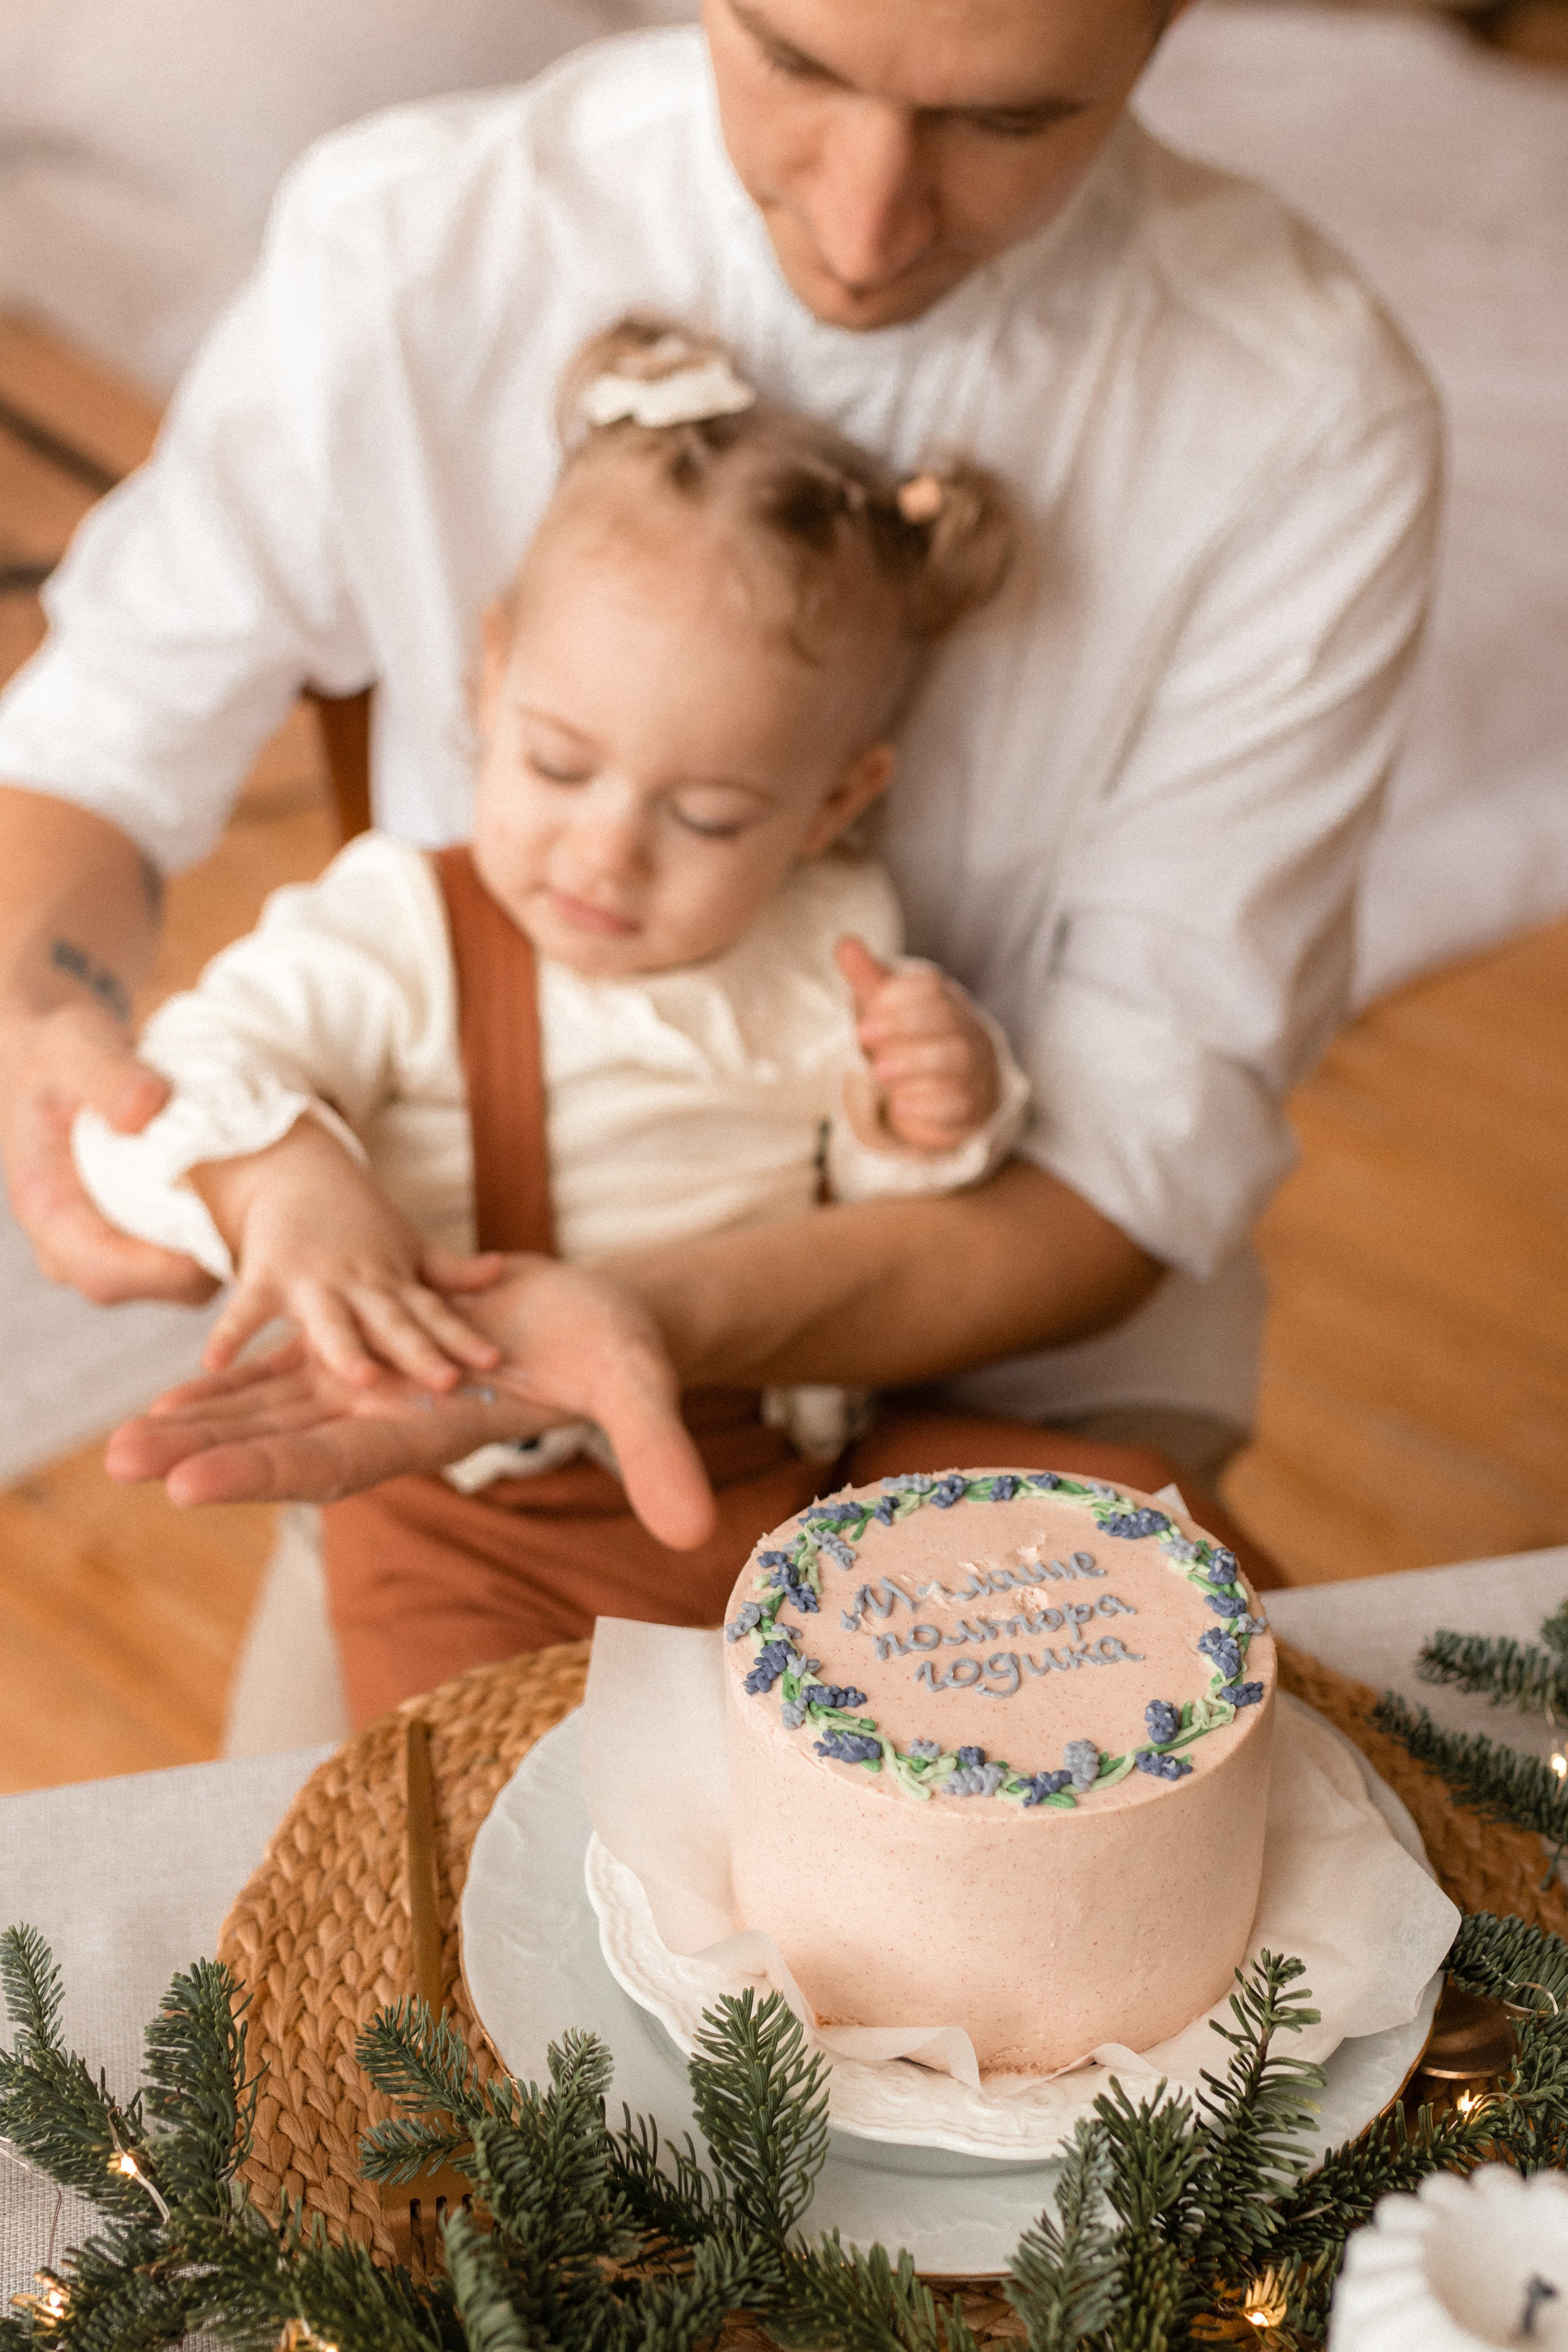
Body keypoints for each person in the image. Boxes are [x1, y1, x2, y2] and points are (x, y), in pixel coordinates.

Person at [0, 0, 1439, 1554]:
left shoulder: (1304, 415)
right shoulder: (419, 238)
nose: (864, 221)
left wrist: (647, 1305)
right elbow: (94, 748)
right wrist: (46, 1025)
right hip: (445, 1392)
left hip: (1012, 1368)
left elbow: (1124, 1163)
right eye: (796, 63)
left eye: (1006, 121)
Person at [72, 318, 1044, 1720]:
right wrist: (280, 1178)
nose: (604, 852)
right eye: (555, 764)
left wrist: (927, 1114)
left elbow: (879, 1224)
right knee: (452, 1815)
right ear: (488, 681)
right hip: (457, 1509)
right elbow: (166, 1088)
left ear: (832, 802)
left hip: (761, 1488)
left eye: (705, 815)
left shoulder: (832, 949)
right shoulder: (404, 932)